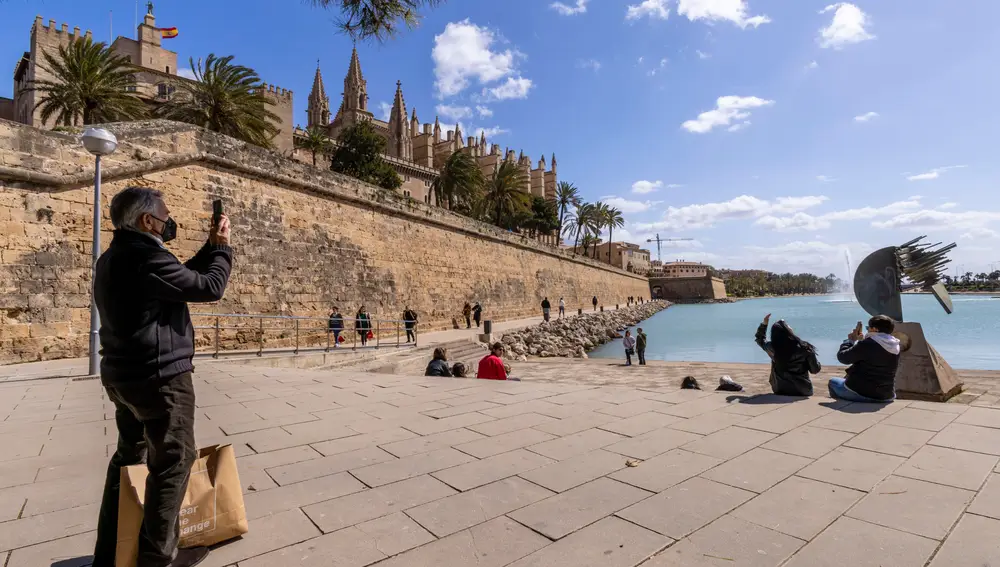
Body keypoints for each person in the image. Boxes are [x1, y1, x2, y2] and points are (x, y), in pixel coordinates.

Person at [93, 187, 233, 567]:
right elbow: (208, 286)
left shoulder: (115, 257)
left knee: (128, 458)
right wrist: (222, 250)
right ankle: (157, 558)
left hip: (123, 378)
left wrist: (209, 248)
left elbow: (180, 278)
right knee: (174, 460)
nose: (169, 220)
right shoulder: (146, 257)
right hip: (159, 379)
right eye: (165, 214)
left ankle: (109, 552)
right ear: (147, 221)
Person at [829, 315, 901, 402]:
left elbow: (843, 358)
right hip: (887, 395)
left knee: (833, 382)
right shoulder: (894, 345)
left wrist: (850, 341)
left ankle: (843, 404)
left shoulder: (867, 344)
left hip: (863, 393)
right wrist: (861, 341)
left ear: (875, 329)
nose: (868, 330)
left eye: (868, 328)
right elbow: (873, 355)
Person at [755, 313, 821, 397]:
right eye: (788, 326)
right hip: (803, 390)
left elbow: (760, 339)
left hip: (779, 389)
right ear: (787, 331)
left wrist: (764, 323)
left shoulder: (772, 347)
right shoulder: (804, 348)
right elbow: (815, 370)